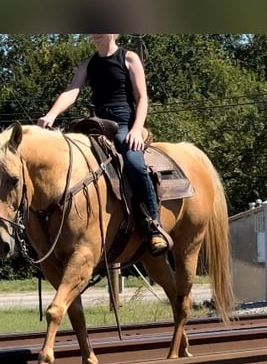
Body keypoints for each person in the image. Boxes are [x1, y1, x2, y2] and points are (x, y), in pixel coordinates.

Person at [37, 34, 171, 256]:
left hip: (123, 123)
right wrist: (51, 114)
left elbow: (142, 98)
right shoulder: (88, 64)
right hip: (97, 124)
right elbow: (72, 91)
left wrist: (137, 129)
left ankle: (153, 225)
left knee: (133, 162)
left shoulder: (129, 58)